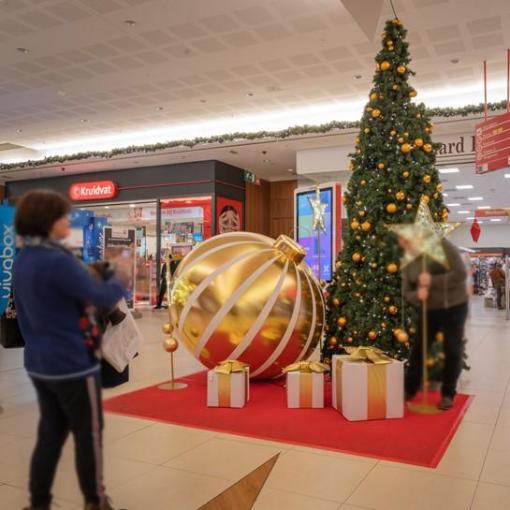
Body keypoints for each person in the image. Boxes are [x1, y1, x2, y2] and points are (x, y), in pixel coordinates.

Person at [12, 190, 127, 510]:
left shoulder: (24, 261)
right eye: (63, 216)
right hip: (73, 364)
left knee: (50, 433)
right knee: (88, 435)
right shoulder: (59, 261)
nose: (68, 221)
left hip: (38, 362)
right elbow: (102, 298)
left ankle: (39, 503)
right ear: (48, 222)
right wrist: (121, 276)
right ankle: (96, 502)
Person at [401, 237, 469, 410]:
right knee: (420, 348)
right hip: (430, 308)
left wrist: (433, 281)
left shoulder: (445, 247)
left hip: (454, 305)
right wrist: (418, 296)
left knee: (452, 348)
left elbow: (460, 274)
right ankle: (409, 389)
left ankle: (448, 394)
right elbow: (407, 291)